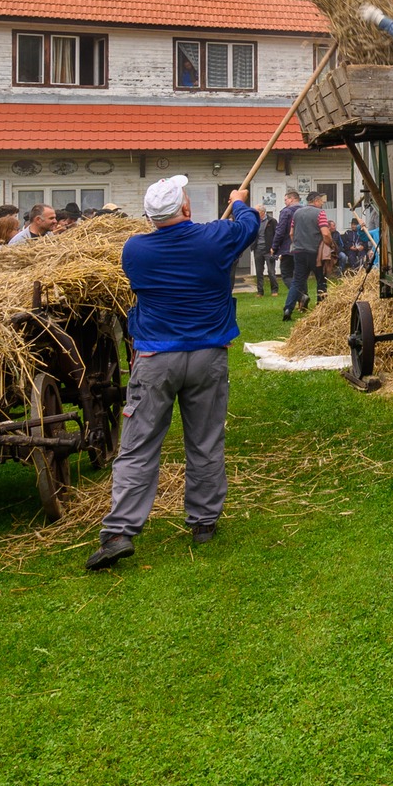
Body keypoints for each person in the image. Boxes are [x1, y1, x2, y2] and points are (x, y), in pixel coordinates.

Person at [86, 176, 260, 570]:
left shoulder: (135, 249)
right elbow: (249, 226)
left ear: (149, 216)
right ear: (186, 209)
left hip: (155, 360)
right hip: (207, 356)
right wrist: (239, 201)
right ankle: (203, 522)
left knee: (138, 447)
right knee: (205, 441)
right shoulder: (215, 238)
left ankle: (119, 533)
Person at [281, 190, 329, 320]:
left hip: (298, 252)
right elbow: (325, 233)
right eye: (321, 202)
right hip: (315, 253)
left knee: (297, 281)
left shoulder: (296, 213)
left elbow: (291, 233)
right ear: (316, 201)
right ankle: (321, 309)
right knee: (321, 280)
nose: (322, 204)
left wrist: (297, 244)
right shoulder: (320, 213)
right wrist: (330, 245)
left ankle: (288, 309)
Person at [248, 211, 280, 295]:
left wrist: (274, 247)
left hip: (269, 250)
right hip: (257, 249)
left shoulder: (272, 221)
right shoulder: (254, 222)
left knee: (271, 271)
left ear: (262, 212)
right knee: (259, 272)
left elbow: (277, 235)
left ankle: (274, 290)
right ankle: (260, 291)